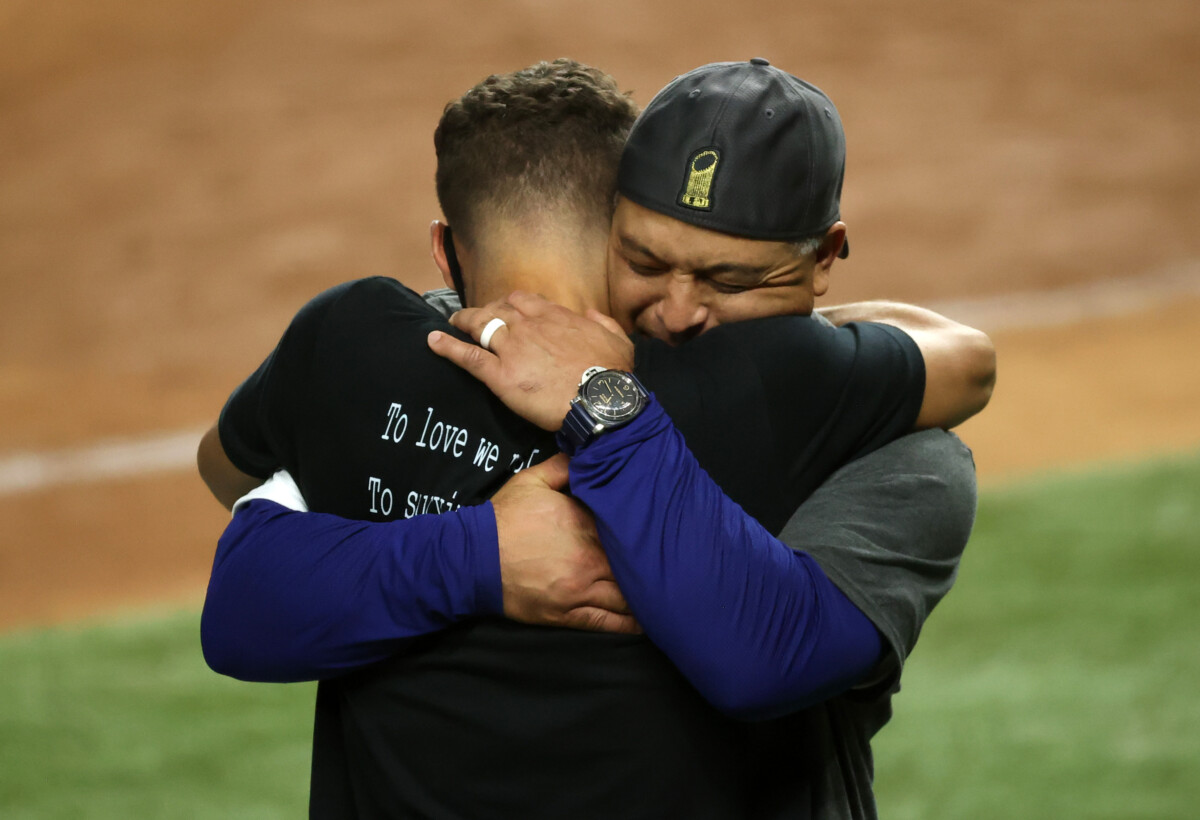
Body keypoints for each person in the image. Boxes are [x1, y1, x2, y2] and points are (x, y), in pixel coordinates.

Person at [199, 59, 993, 818]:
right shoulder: (792, 388)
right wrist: (482, 552)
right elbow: (964, 359)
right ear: (609, 226)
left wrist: (597, 413)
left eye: (730, 280)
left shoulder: (351, 346)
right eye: (647, 262)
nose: (680, 311)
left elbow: (772, 653)